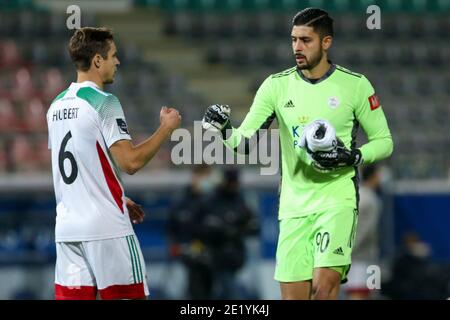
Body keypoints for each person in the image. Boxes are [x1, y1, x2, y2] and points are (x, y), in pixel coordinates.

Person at [202, 8, 393, 300]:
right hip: (293, 207)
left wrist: (351, 157)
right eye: (293, 40)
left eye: (306, 40)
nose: (297, 48)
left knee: (323, 286)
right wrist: (225, 129)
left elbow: (384, 141)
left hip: (336, 200)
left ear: (326, 42)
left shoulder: (355, 85)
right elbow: (244, 143)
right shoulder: (276, 87)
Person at [46, 27, 181, 300]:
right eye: (113, 56)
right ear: (97, 60)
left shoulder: (55, 106)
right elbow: (130, 162)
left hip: (67, 231)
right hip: (107, 231)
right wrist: (166, 129)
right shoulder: (104, 102)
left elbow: (74, 168)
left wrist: (116, 195)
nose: (117, 62)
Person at [167, 166, 257, 299]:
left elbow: (252, 226)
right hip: (198, 259)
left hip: (225, 258)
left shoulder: (230, 199)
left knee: (229, 292)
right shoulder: (188, 202)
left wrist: (230, 231)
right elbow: (183, 227)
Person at [343, 165, 382, 300]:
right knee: (358, 293)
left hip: (364, 256)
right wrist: (349, 250)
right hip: (359, 258)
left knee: (366, 292)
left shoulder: (360, 194)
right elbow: (364, 230)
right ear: (374, 176)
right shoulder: (368, 198)